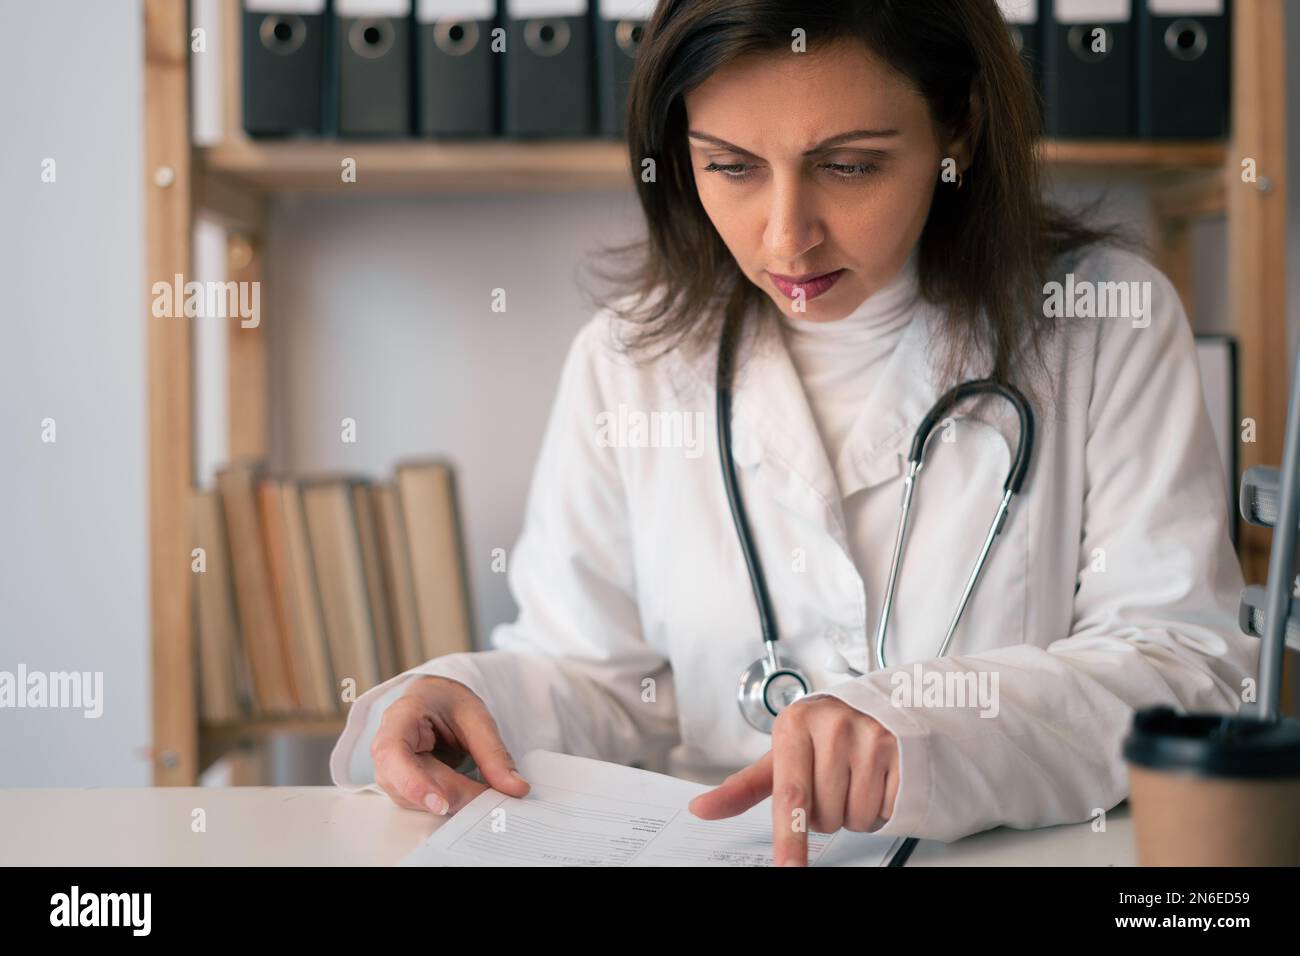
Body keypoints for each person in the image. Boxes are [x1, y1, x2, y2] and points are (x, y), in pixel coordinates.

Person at [329, 0, 1256, 865]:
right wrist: (474, 701)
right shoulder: (629, 359)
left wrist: (922, 728)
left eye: (849, 166)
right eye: (730, 166)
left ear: (959, 127)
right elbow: (599, 680)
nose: (785, 239)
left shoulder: (1103, 320)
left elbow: (1187, 672)